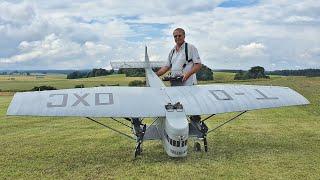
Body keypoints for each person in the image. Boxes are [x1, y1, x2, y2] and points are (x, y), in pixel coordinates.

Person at [156, 28, 203, 124]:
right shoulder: (172, 51)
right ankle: (179, 126)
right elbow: (166, 67)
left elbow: (198, 65)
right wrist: (154, 75)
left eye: (179, 35)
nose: (177, 38)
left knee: (191, 107)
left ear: (184, 36)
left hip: (188, 84)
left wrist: (187, 74)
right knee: (177, 107)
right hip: (175, 85)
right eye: (175, 36)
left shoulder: (190, 48)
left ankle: (197, 127)